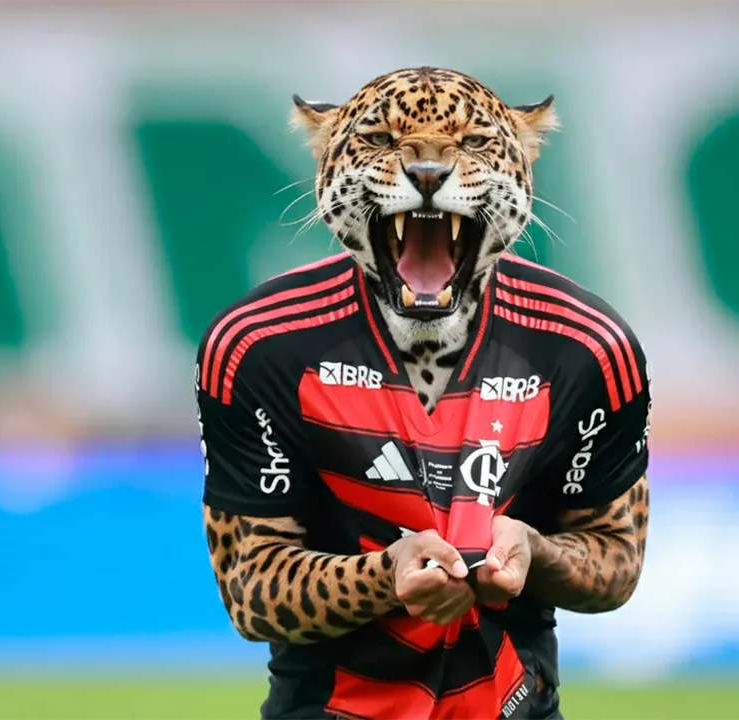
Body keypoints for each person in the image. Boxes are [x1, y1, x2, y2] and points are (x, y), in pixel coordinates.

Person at [197, 67, 650, 720]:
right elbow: (252, 592)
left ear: (525, 168)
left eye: (472, 145)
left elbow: (616, 562)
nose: (429, 166)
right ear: (325, 165)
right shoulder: (256, 343)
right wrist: (386, 577)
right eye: (381, 140)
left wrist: (529, 548)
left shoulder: (591, 345)